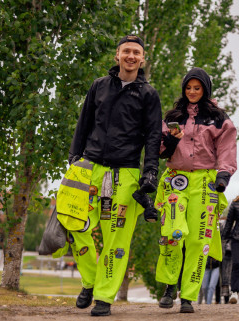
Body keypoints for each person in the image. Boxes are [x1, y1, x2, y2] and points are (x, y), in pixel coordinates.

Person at [55, 35, 162, 316]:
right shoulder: (99, 86)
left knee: (116, 240)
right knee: (76, 224)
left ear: (142, 58)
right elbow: (84, 122)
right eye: (126, 51)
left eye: (136, 52)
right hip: (89, 167)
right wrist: (73, 158)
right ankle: (90, 280)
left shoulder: (149, 94)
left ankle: (103, 297)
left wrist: (150, 173)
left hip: (125, 172)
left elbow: (153, 137)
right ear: (117, 55)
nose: (130, 56)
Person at [154, 67, 237, 313]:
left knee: (198, 239)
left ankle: (189, 295)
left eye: (197, 88)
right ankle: (170, 285)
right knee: (172, 232)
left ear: (205, 89)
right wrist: (170, 140)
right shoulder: (174, 116)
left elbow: (227, 147)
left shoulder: (219, 119)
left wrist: (224, 174)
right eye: (188, 87)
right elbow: (160, 150)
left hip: (204, 182)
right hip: (175, 179)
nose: (192, 92)